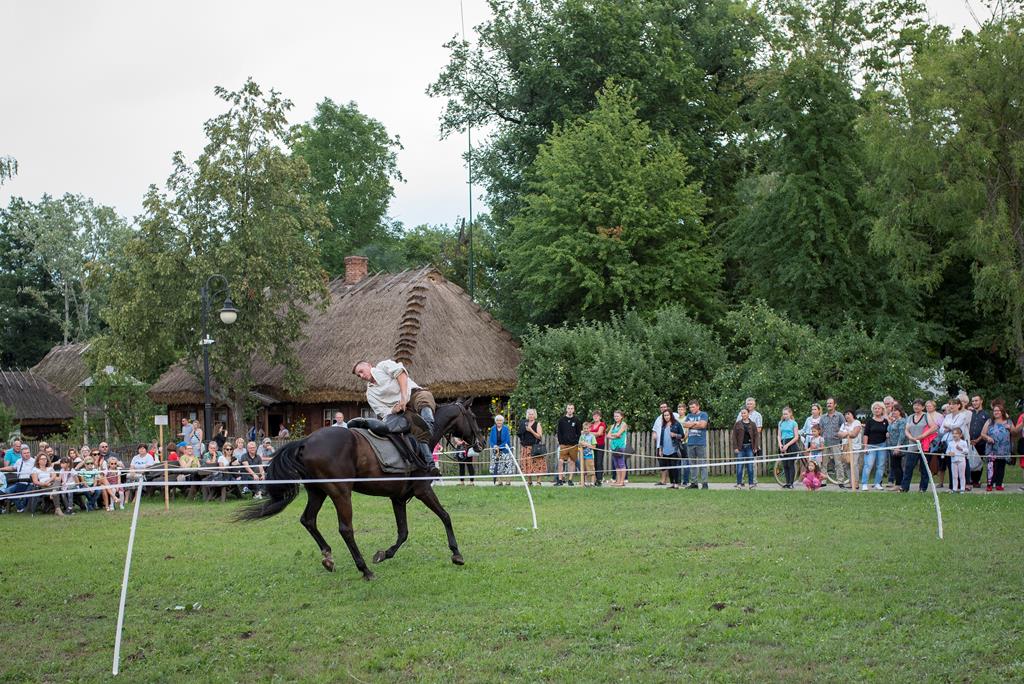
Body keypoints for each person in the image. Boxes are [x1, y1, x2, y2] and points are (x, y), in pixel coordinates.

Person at [353, 358, 438, 472]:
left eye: (361, 371)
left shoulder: (383, 366)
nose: (361, 376)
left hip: (413, 394)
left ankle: (429, 424)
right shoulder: (370, 394)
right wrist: (394, 409)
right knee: (417, 428)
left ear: (369, 365)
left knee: (424, 397)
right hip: (402, 411)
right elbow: (383, 412)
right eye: (358, 375)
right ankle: (430, 463)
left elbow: (401, 374)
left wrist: (403, 397)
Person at [980, 403, 1018, 491]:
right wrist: (988, 438)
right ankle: (989, 484)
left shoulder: (1008, 421)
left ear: (1002, 412)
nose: (996, 412)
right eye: (994, 411)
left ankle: (999, 484)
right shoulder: (989, 421)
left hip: (1004, 449)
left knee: (1001, 467)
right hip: (992, 448)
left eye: (998, 411)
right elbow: (982, 434)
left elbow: (1015, 433)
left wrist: (1010, 428)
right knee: (991, 467)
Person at [902, 400, 934, 493]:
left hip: (924, 446)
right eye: (915, 405)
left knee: (924, 468)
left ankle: (922, 488)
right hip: (912, 445)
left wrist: (922, 436)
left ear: (923, 407)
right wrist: (910, 437)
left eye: (919, 405)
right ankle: (904, 487)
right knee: (908, 467)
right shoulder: (910, 417)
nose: (916, 407)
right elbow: (906, 429)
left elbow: (933, 427)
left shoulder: (926, 416)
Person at [940, 397, 970, 490]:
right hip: (948, 442)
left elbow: (957, 427)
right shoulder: (947, 416)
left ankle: (962, 486)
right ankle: (952, 487)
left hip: (958, 442)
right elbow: (941, 430)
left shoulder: (962, 415)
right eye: (950, 404)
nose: (951, 406)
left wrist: (948, 427)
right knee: (950, 464)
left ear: (958, 405)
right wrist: (949, 428)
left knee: (961, 464)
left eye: (953, 404)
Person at [860, 401, 889, 491]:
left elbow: (887, 432)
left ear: (882, 410)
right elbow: (866, 435)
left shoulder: (885, 421)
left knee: (881, 465)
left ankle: (877, 483)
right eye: (875, 408)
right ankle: (864, 484)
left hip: (882, 445)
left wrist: (888, 434)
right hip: (870, 446)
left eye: (878, 408)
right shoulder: (870, 421)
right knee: (868, 465)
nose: (877, 410)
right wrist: (865, 447)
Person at [820, 398, 847, 487]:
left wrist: (840, 435)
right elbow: (821, 429)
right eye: (827, 403)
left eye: (830, 403)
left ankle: (840, 481)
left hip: (836, 442)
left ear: (835, 405)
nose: (829, 405)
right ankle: (823, 481)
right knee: (824, 463)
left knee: (838, 463)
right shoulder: (823, 417)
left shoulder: (839, 416)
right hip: (825, 443)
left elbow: (844, 427)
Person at [655, 408, 685, 489]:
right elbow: (661, 439)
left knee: (674, 467)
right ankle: (672, 483)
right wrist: (660, 449)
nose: (666, 417)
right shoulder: (663, 426)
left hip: (674, 449)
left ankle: (677, 484)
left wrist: (675, 435)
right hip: (665, 449)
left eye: (667, 415)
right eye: (665, 415)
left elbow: (682, 435)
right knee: (669, 467)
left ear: (671, 415)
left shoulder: (677, 424)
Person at [683, 400, 710, 489]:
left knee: (702, 464)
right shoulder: (689, 415)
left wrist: (691, 424)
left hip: (700, 443)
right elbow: (685, 425)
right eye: (690, 407)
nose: (691, 409)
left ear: (698, 406)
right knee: (692, 464)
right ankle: (694, 483)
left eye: (693, 407)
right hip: (690, 443)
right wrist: (696, 423)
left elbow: (703, 425)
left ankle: (704, 483)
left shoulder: (703, 414)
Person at [652, 402, 680, 486]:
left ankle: (677, 482)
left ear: (668, 407)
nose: (663, 408)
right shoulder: (658, 419)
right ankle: (663, 481)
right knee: (662, 463)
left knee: (673, 464)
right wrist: (654, 434)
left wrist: (676, 435)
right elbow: (654, 430)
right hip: (661, 445)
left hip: (673, 445)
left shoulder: (675, 415)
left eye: (664, 407)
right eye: (661, 407)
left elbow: (681, 424)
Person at [555, 404, 582, 486]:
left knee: (571, 462)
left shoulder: (576, 420)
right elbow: (559, 432)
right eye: (569, 408)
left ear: (574, 410)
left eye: (571, 408)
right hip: (563, 445)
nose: (570, 410)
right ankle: (560, 480)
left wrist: (576, 441)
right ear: (566, 409)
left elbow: (579, 433)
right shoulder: (561, 420)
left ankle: (570, 480)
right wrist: (560, 442)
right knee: (560, 462)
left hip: (573, 445)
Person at [732, 407, 759, 489]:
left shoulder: (753, 424)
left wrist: (755, 447)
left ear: (748, 414)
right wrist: (736, 447)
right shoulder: (737, 424)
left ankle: (751, 484)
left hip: (750, 447)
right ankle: (739, 484)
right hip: (740, 448)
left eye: (744, 413)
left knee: (750, 467)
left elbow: (756, 436)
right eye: (742, 413)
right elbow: (734, 436)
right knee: (739, 467)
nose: (743, 414)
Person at [517, 408, 545, 487]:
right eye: (529, 414)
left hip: (535, 447)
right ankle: (529, 482)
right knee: (527, 465)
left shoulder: (537, 424)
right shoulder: (524, 423)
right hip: (525, 448)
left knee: (538, 464)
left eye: (532, 414)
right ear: (527, 415)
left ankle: (538, 482)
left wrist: (531, 430)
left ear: (535, 415)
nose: (531, 416)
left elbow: (539, 436)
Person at [7, 445, 37, 512]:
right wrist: (1, 469)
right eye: (25, 453)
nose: (27, 454)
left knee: (27, 494)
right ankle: (20, 507)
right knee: (8, 491)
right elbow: (12, 468)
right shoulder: (18, 461)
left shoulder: (34, 461)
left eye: (28, 452)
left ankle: (22, 507)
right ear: (21, 454)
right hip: (20, 482)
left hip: (30, 483)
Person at [777, 406, 801, 489]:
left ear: (790, 414)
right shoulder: (780, 423)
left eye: (786, 414)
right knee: (785, 465)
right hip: (783, 443)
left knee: (790, 464)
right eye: (783, 414)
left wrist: (787, 445)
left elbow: (796, 437)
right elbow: (779, 435)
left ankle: (791, 483)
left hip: (791, 444)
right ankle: (787, 483)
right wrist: (780, 444)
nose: (785, 416)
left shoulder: (794, 423)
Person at [968, 394, 989, 488]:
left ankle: (976, 481)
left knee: (979, 462)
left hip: (981, 442)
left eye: (976, 400)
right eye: (972, 401)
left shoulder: (986, 414)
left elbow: (987, 429)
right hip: (969, 442)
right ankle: (970, 480)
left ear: (981, 401)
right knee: (970, 461)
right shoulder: (969, 414)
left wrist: (977, 440)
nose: (974, 403)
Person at [838, 409, 863, 489]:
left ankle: (856, 483)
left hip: (855, 447)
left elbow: (854, 434)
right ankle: (851, 482)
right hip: (845, 447)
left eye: (848, 414)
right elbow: (839, 434)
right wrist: (848, 433)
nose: (847, 416)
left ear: (852, 414)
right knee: (847, 465)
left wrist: (845, 434)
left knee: (854, 464)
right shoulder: (844, 424)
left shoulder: (857, 422)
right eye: (845, 414)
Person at [923, 399, 945, 485]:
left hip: (936, 440)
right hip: (925, 440)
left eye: (930, 406)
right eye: (927, 406)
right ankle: (926, 479)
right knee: (927, 460)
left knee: (939, 461)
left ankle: (940, 481)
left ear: (934, 407)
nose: (928, 407)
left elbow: (941, 428)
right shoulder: (924, 415)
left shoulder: (939, 416)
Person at [886, 404, 907, 489]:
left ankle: (899, 484)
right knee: (894, 465)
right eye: (892, 410)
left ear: (900, 411)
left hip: (898, 446)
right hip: (891, 445)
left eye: (895, 410)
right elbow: (890, 430)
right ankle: (898, 483)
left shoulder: (902, 421)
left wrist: (898, 447)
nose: (893, 412)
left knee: (896, 465)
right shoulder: (894, 421)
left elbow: (902, 435)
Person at [488, 414, 513, 485]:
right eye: (498, 420)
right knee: (497, 466)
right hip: (496, 450)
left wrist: (499, 446)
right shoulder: (493, 429)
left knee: (507, 465)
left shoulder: (506, 428)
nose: (499, 422)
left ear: (503, 421)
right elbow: (491, 440)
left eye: (501, 420)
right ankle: (500, 482)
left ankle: (508, 482)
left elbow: (507, 440)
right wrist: (494, 446)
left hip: (505, 450)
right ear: (495, 421)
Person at [607, 410, 629, 487]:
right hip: (613, 447)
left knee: (621, 464)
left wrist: (614, 435)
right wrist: (615, 436)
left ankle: (622, 482)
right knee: (616, 465)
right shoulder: (613, 425)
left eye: (617, 416)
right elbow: (608, 435)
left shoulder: (624, 424)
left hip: (620, 447)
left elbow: (619, 434)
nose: (616, 417)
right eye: (615, 416)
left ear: (621, 417)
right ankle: (618, 481)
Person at [948, 427, 970, 493]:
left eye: (956, 433)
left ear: (960, 435)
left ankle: (962, 489)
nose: (954, 435)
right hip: (953, 461)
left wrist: (961, 449)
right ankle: (954, 489)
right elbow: (947, 451)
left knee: (962, 475)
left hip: (961, 460)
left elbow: (967, 451)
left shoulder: (963, 442)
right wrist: (949, 453)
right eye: (953, 433)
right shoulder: (950, 443)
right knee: (954, 475)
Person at [589, 411, 607, 486]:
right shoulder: (591, 425)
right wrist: (592, 433)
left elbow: (599, 433)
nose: (595, 417)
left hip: (600, 445)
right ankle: (595, 479)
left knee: (599, 462)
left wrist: (589, 433)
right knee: (594, 462)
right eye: (594, 416)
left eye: (597, 416)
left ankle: (599, 479)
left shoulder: (602, 424)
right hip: (592, 445)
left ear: (600, 417)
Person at [579, 422, 597, 486]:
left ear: (590, 429)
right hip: (582, 456)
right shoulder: (582, 436)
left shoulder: (592, 436)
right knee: (585, 469)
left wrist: (587, 445)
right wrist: (581, 445)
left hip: (590, 456)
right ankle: (586, 482)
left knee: (591, 469)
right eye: (584, 428)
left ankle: (592, 482)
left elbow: (594, 446)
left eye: (587, 428)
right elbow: (579, 445)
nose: (586, 430)